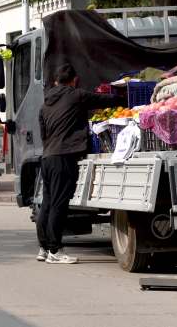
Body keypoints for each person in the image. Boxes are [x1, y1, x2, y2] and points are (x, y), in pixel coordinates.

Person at [36, 64, 119, 264]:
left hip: (47, 157)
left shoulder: (45, 104)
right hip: (64, 157)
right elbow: (103, 100)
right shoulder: (76, 95)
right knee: (59, 204)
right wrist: (124, 98)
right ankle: (55, 251)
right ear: (74, 80)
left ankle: (44, 248)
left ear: (56, 81)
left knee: (47, 203)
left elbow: (43, 133)